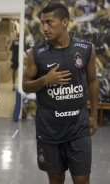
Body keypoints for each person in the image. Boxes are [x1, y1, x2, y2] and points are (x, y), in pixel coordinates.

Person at [22, 3, 99, 184]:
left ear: (65, 22)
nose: (45, 28)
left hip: (78, 128)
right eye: (42, 23)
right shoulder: (36, 53)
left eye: (50, 22)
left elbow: (92, 82)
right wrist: (44, 80)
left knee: (82, 180)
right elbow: (25, 86)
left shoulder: (86, 48)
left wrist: (94, 115)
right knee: (56, 180)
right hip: (49, 130)